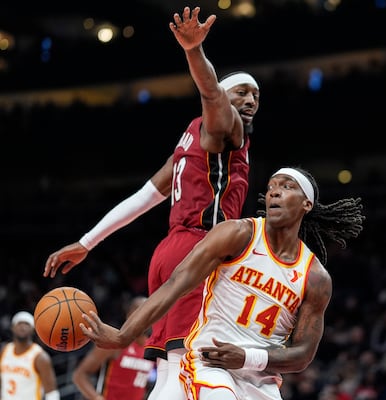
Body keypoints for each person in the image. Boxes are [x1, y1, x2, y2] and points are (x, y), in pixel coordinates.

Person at [43, 5, 259, 400]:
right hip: (200, 248)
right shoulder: (225, 125)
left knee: (170, 365)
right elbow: (211, 92)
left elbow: (146, 197)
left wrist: (88, 241)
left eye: (255, 95)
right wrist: (194, 51)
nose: (250, 100)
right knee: (199, 360)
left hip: (168, 252)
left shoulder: (187, 140)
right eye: (242, 91)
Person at [79, 166, 365, 399]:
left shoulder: (315, 277)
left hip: (260, 378)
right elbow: (176, 283)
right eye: (272, 186)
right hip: (208, 362)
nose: (275, 191)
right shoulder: (237, 234)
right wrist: (123, 335)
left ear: (307, 204)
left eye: (287, 186)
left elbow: (302, 356)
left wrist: (246, 358)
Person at [72, 296, 154, 400]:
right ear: (129, 315)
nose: (144, 316)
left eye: (148, 311)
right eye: (139, 311)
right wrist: (97, 398)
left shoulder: (153, 347)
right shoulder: (114, 342)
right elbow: (79, 375)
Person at [0, 311, 60, 400]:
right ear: (12, 327)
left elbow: (52, 393)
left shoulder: (40, 357)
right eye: (19, 323)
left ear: (33, 329)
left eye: (27, 324)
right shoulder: (4, 350)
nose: (22, 327)